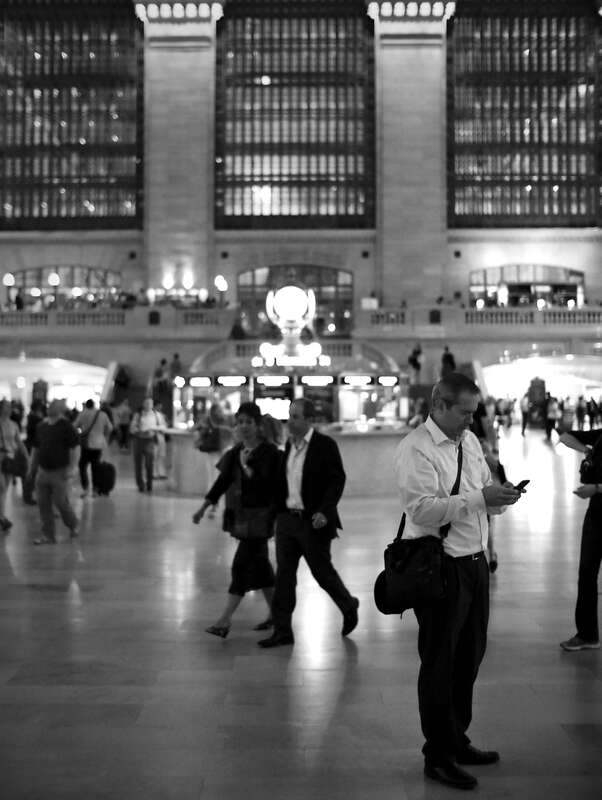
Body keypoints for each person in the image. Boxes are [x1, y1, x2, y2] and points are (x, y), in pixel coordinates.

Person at [394, 373, 522, 790]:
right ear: (439, 406)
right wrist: (479, 500)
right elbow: (423, 510)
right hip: (440, 568)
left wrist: (498, 497)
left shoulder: (468, 442)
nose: (472, 419)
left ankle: (456, 738)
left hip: (475, 563)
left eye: (473, 411)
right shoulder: (416, 449)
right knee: (440, 662)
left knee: (469, 657)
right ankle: (438, 755)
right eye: (464, 412)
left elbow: (481, 490)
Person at [257, 398, 359, 648]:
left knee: (322, 573)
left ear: (310, 420)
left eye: (296, 417)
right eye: (290, 416)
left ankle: (348, 605)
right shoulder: (289, 446)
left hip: (313, 523)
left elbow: (337, 480)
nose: (290, 421)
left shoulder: (325, 445)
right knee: (284, 576)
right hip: (287, 521)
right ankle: (282, 631)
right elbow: (283, 485)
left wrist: (325, 511)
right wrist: (273, 518)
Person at [192, 402, 281, 638]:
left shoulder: (270, 453)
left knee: (240, 566)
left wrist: (248, 468)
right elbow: (221, 483)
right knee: (262, 568)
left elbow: (273, 485)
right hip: (243, 520)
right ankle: (277, 614)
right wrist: (204, 507)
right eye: (240, 422)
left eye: (248, 422)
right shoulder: (234, 453)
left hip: (261, 520)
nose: (244, 426)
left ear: (258, 425)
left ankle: (224, 620)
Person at [557, 429, 602, 651]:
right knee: (586, 574)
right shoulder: (600, 436)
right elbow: (564, 436)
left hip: (596, 504)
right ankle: (587, 634)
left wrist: (597, 488)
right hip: (596, 515)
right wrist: (587, 450)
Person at [28, 399, 80, 545]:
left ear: (61, 409)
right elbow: (36, 449)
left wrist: (72, 468)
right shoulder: (41, 426)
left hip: (60, 471)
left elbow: (75, 448)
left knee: (60, 502)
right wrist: (31, 467)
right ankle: (48, 535)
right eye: (50, 405)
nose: (50, 407)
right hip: (43, 471)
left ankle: (73, 523)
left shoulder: (66, 427)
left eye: (54, 405)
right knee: (43, 504)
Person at [74, 399, 113, 497]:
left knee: (82, 465)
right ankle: (95, 489)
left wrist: (81, 432)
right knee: (96, 466)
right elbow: (110, 427)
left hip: (86, 444)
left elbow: (74, 426)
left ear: (86, 405)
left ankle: (85, 487)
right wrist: (104, 435)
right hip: (99, 444)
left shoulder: (83, 414)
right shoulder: (102, 414)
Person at [0, 399, 27, 531]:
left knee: (4, 489)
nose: (10, 409)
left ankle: (2, 515)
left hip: (10, 457)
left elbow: (19, 441)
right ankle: (2, 517)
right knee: (1, 486)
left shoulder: (13, 424)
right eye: (7, 407)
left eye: (10, 407)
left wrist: (26, 455)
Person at [130, 397, 164, 493]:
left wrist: (154, 429)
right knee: (138, 464)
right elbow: (132, 428)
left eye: (150, 403)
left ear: (152, 405)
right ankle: (140, 484)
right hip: (139, 441)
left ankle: (149, 484)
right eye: (146, 403)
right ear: (143, 404)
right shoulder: (138, 415)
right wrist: (139, 431)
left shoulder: (157, 415)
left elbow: (162, 426)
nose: (148, 405)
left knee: (149, 464)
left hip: (150, 441)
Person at [153, 401, 169, 479]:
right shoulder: (151, 415)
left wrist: (164, 425)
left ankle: (161, 473)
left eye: (161, 406)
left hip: (161, 436)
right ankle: (154, 473)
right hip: (154, 436)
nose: (160, 408)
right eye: (158, 406)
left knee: (162, 455)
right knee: (154, 456)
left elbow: (165, 425)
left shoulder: (161, 415)